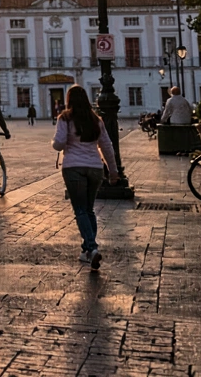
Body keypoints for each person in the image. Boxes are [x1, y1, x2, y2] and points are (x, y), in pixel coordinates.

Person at [53, 84, 118, 269]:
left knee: (80, 210)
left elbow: (59, 144)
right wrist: (113, 172)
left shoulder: (64, 118)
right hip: (95, 168)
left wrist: (54, 143)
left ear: (69, 100)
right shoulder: (96, 120)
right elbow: (107, 147)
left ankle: (92, 247)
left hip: (73, 167)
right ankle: (86, 251)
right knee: (89, 210)